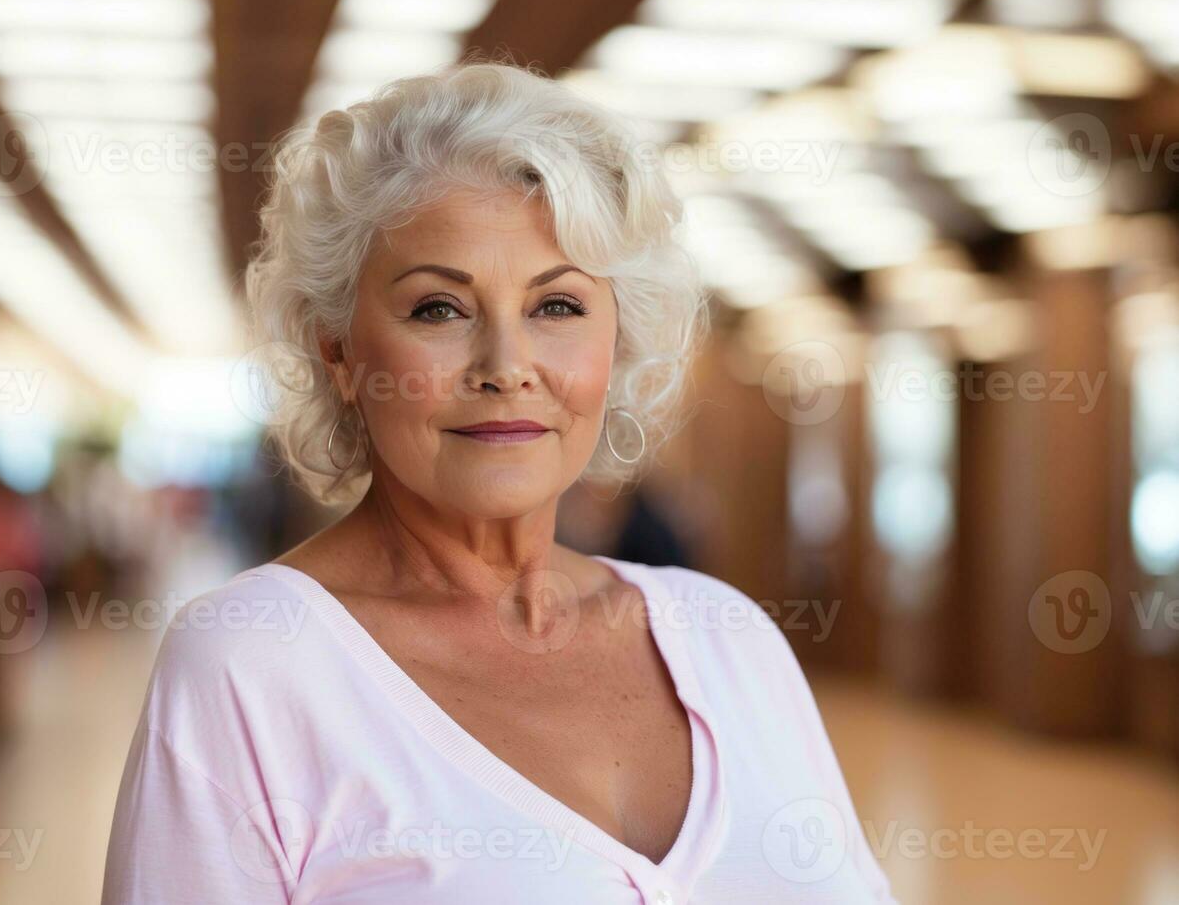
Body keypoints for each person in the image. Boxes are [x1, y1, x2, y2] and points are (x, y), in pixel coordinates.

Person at [101, 61, 898, 904]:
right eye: (438, 309)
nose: (506, 367)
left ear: (615, 342)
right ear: (338, 352)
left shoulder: (730, 641)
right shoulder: (250, 664)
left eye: (556, 307)